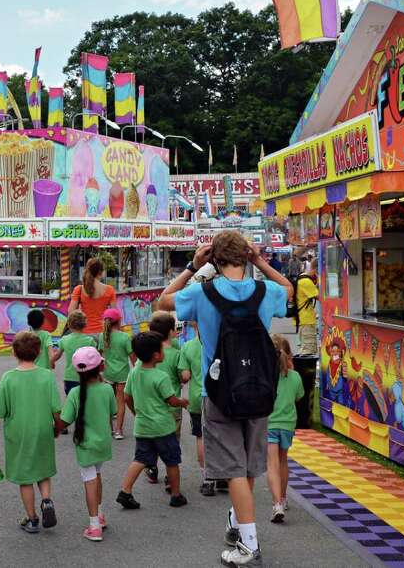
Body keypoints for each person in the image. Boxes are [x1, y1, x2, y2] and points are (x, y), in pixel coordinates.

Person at [158, 232, 292, 567]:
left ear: (214, 259)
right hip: (260, 392)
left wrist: (192, 266)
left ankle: (248, 543)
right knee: (246, 467)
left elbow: (164, 301)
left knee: (232, 469)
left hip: (218, 393)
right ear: (245, 257)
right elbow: (289, 289)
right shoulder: (264, 291)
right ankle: (238, 519)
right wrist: (261, 261)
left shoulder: (203, 293)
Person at [0, 331, 63, 534]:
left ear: (13, 353)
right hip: (43, 429)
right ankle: (46, 501)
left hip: (18, 433)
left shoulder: (8, 378)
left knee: (25, 477)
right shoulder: (46, 376)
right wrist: (58, 427)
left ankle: (32, 519)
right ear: (38, 353)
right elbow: (56, 408)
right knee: (43, 469)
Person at [118, 331, 189, 510]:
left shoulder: (134, 372)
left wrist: (137, 412)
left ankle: (125, 491)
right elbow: (171, 400)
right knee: (172, 461)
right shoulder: (161, 377)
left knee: (140, 459)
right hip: (163, 428)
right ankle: (176, 494)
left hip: (143, 426)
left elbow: (126, 397)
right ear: (156, 355)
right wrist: (182, 402)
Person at [59, 346, 116, 542]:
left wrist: (53, 427)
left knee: (89, 480)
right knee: (97, 475)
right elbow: (112, 412)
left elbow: (65, 421)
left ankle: (94, 526)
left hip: (86, 445)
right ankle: (100, 515)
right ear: (101, 366)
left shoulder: (74, 393)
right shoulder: (108, 388)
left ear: (77, 371)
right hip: (103, 443)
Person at [143, 311, 187, 489]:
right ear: (170, 331)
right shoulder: (176, 352)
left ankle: (152, 468)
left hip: (151, 403)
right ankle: (171, 476)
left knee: (152, 439)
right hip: (172, 403)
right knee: (172, 441)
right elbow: (183, 376)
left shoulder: (147, 352)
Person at [266, 334, 303, 524]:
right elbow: (299, 396)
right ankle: (284, 497)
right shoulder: (295, 376)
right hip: (288, 424)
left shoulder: (266, 375)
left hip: (270, 424)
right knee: (282, 461)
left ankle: (277, 503)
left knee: (271, 463)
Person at [179, 321, 213, 496]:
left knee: (200, 436)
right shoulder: (218, 342)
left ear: (193, 326)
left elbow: (185, 376)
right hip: (217, 398)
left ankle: (207, 478)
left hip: (196, 397)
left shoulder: (187, 347)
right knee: (220, 436)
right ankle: (221, 474)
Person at [97, 307, 132, 439]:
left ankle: (109, 429)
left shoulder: (102, 336)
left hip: (107, 374)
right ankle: (118, 431)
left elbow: (99, 355)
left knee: (107, 403)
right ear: (119, 321)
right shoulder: (125, 337)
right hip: (122, 374)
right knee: (120, 402)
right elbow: (132, 356)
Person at [68, 257, 116, 333]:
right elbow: (114, 315)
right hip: (103, 333)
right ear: (101, 272)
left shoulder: (79, 289)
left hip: (84, 333)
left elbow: (71, 312)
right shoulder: (110, 290)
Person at [57, 310, 97, 395]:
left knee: (71, 402)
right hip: (86, 378)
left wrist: (50, 362)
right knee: (85, 403)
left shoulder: (64, 340)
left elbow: (57, 355)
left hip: (69, 378)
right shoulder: (90, 341)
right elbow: (95, 359)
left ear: (69, 324)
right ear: (84, 325)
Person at [295, 256, 319, 356]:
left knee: (305, 347)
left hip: (303, 318)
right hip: (306, 319)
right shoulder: (306, 282)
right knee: (308, 350)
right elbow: (320, 297)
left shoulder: (302, 277)